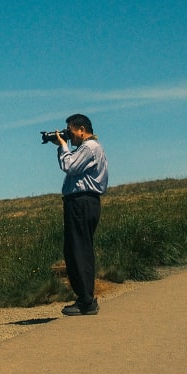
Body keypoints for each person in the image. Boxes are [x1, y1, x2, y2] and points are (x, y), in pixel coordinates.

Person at [52, 114, 108, 316]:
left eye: (71, 131)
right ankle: (85, 298)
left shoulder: (90, 148)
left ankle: (86, 300)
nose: (69, 135)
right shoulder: (89, 148)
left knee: (78, 250)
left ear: (82, 129)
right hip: (83, 202)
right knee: (77, 249)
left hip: (81, 202)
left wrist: (62, 146)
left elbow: (69, 166)